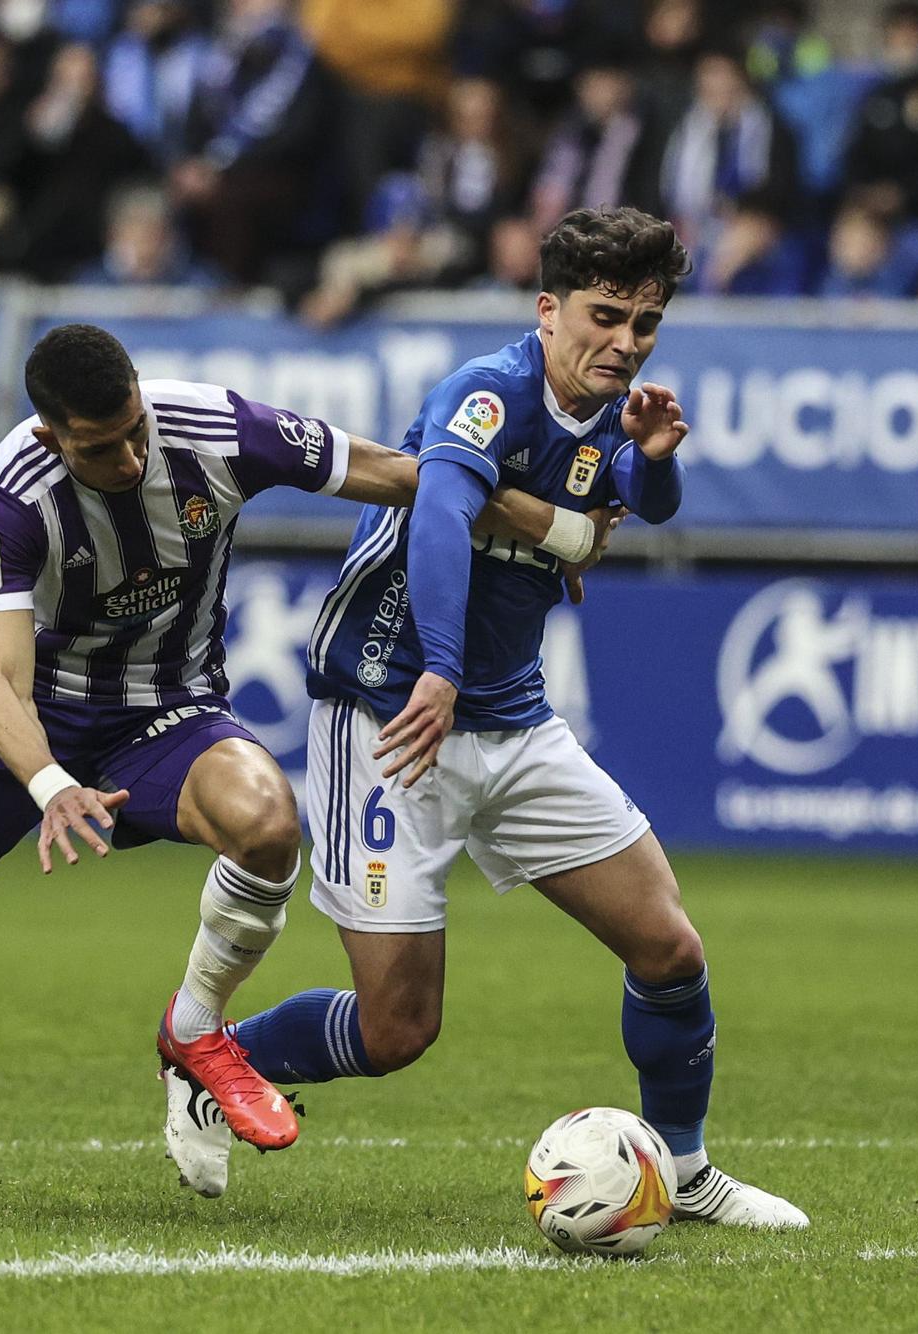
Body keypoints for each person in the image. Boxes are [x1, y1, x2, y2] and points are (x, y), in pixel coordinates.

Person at [0, 323, 592, 1207]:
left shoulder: (216, 428)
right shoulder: (11, 491)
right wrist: (49, 786)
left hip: (165, 710)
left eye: (133, 435)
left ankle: (194, 1029)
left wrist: (545, 529)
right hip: (25, 725)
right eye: (99, 449)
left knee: (270, 822)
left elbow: (398, 472)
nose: (126, 461)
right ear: (52, 436)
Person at [219, 208, 810, 1230]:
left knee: (668, 946)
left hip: (514, 723)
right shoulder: (485, 393)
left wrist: (656, 456)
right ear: (547, 310)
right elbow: (442, 512)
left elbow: (632, 504)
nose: (624, 341)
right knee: (398, 1026)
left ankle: (684, 1168)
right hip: (388, 715)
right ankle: (209, 1054)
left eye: (645, 323)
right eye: (605, 315)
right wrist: (438, 668)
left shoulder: (606, 412)